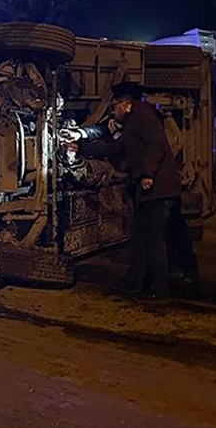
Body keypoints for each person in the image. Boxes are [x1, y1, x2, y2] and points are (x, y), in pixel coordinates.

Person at [64, 82, 183, 298]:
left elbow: (157, 145)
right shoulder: (135, 120)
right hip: (154, 189)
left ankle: (158, 288)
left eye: (114, 107)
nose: (113, 112)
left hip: (157, 189)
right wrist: (81, 146)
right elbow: (116, 148)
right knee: (141, 237)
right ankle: (137, 282)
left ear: (124, 104)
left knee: (152, 239)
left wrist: (148, 174)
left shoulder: (143, 116)